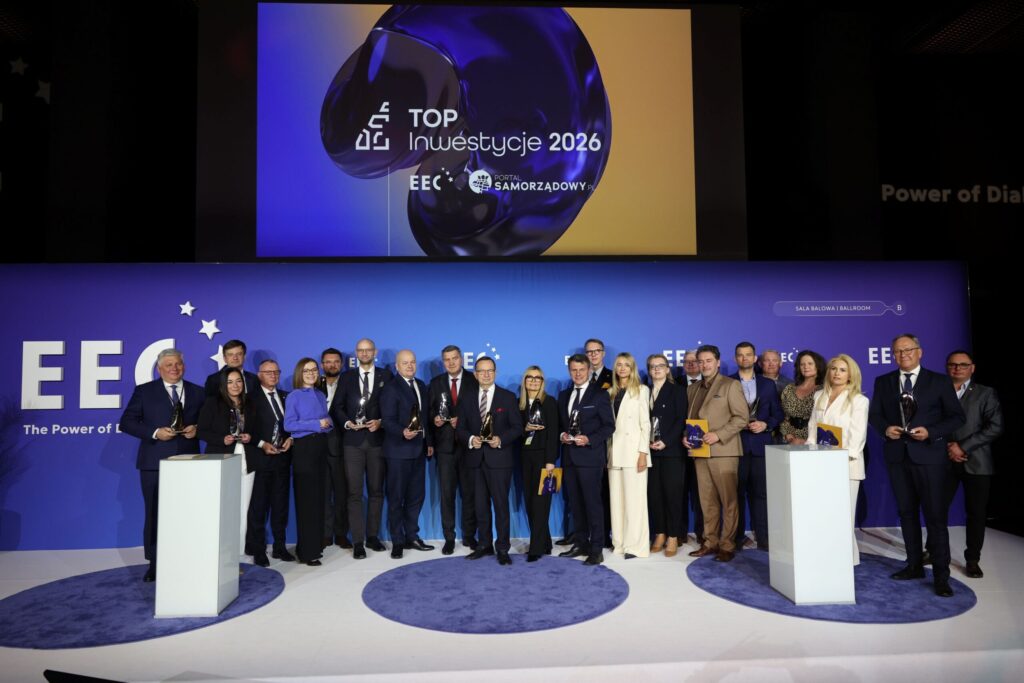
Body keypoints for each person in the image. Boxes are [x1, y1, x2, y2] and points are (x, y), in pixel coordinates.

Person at [869, 334, 965, 597]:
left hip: (930, 458)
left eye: (908, 349)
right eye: (898, 351)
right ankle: (914, 565)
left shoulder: (939, 381)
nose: (903, 355)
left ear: (919, 352)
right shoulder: (884, 381)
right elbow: (875, 414)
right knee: (907, 513)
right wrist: (885, 428)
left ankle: (941, 576)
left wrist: (931, 432)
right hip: (898, 457)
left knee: (935, 517)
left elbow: (957, 417)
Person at [119, 348, 204, 582]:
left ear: (184, 366)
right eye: (169, 365)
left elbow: (208, 422)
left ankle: (188, 559)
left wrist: (197, 429)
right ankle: (155, 563)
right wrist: (155, 432)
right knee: (155, 514)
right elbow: (126, 422)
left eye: (178, 364)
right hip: (154, 463)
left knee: (189, 513)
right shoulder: (144, 391)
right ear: (159, 369)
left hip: (189, 463)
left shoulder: (198, 391)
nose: (174, 368)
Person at [456, 356, 523, 564]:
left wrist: (500, 439)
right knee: (480, 506)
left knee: (501, 506)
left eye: (490, 371)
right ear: (475, 374)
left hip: (499, 461)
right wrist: (470, 439)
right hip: (475, 461)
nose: (486, 374)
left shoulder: (508, 397)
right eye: (481, 371)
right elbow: (460, 428)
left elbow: (517, 428)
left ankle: (502, 548)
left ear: (495, 372)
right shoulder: (466, 398)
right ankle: (484, 545)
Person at [686, 344, 748, 562]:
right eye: (700, 361)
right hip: (700, 452)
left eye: (708, 361)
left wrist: (718, 435)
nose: (704, 365)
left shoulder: (730, 385)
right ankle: (710, 542)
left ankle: (727, 545)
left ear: (718, 362)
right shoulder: (693, 389)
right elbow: (691, 420)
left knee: (728, 501)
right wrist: (686, 436)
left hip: (724, 451)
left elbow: (742, 418)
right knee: (707, 502)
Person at [806, 354, 870, 565]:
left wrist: (840, 458)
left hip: (846, 466)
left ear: (850, 374)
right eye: (834, 369)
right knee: (825, 515)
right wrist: (809, 452)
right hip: (820, 465)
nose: (837, 373)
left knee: (843, 517)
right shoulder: (819, 396)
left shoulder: (859, 401)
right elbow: (813, 428)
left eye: (842, 370)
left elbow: (857, 437)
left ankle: (847, 561)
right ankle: (826, 557)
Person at [945, 350, 1003, 578]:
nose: (957, 368)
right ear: (947, 367)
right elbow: (931, 423)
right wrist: (949, 447)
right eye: (953, 364)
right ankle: (934, 551)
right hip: (944, 460)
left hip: (977, 462)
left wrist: (963, 447)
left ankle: (972, 560)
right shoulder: (939, 391)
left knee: (976, 514)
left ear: (972, 368)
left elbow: (995, 427)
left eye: (963, 364)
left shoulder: (986, 393)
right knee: (937, 510)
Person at [332, 339, 391, 558]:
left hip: (377, 442)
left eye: (368, 350)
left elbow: (392, 407)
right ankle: (358, 541)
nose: (364, 353)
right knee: (354, 493)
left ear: (375, 352)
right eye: (361, 350)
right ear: (356, 353)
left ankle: (373, 536)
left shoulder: (386, 376)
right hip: (352, 443)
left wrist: (381, 422)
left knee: (376, 491)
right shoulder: (347, 377)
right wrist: (348, 423)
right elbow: (337, 407)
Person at [558, 353, 616, 565]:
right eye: (574, 370)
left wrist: (589, 439)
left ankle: (596, 548)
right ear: (569, 371)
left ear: (589, 370)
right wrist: (562, 435)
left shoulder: (599, 395)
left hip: (591, 458)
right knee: (576, 504)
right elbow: (561, 424)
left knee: (593, 504)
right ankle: (581, 543)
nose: (578, 374)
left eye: (582, 370)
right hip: (569, 458)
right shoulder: (564, 395)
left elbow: (609, 426)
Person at [198, 367, 259, 561]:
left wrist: (251, 436)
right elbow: (202, 431)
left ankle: (237, 555)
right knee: (222, 508)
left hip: (247, 460)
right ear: (223, 385)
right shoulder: (212, 403)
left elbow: (259, 430)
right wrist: (221, 439)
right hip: (222, 460)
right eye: (230, 382)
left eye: (238, 381)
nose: (235, 385)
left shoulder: (250, 403)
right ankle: (219, 553)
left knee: (243, 509)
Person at [380, 349, 435, 559]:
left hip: (418, 451)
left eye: (412, 362)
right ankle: (398, 541)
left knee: (416, 497)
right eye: (405, 363)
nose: (410, 366)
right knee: (396, 498)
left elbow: (425, 418)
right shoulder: (390, 388)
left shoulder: (420, 385)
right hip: (398, 452)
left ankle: (412, 536)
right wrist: (402, 432)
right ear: (397, 366)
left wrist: (428, 442)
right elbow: (387, 420)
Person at [729, 342, 782, 551]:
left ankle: (763, 537)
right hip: (736, 445)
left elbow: (777, 414)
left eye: (748, 355)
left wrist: (766, 425)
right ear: (736, 359)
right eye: (740, 355)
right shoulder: (727, 382)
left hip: (761, 446)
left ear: (755, 358)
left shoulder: (767, 384)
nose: (744, 358)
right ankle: (737, 537)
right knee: (737, 494)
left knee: (761, 494)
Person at [428, 344, 479, 555]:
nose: (451, 362)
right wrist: (435, 419)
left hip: (469, 447)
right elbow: (429, 412)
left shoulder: (474, 380)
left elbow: (481, 411)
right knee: (447, 495)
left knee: (470, 494)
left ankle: (469, 535)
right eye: (447, 359)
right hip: (445, 448)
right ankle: (449, 537)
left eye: (454, 358)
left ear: (461, 359)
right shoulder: (436, 383)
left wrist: (465, 422)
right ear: (443, 362)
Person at [284, 357, 334, 566]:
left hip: (320, 447)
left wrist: (328, 424)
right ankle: (307, 551)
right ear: (299, 373)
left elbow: (327, 420)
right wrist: (316, 424)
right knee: (307, 501)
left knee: (319, 498)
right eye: (307, 371)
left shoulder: (321, 395)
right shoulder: (294, 396)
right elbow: (289, 425)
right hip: (304, 450)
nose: (311, 373)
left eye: (314, 370)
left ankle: (315, 545)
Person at [246, 359, 294, 564]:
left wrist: (292, 438)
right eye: (268, 372)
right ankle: (258, 550)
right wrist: (261, 444)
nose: (273, 375)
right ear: (259, 375)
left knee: (280, 506)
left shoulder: (286, 396)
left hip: (282, 460)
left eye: (276, 372)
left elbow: (293, 424)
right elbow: (245, 430)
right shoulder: (250, 399)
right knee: (259, 508)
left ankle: (279, 547)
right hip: (261, 460)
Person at [607, 353, 651, 559]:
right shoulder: (610, 393)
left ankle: (636, 546)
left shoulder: (641, 390)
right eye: (619, 365)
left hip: (634, 453)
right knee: (616, 502)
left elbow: (645, 424)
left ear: (632, 368)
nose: (622, 368)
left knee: (635, 502)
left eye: (627, 365)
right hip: (614, 453)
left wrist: (643, 453)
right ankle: (619, 543)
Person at [646, 353, 688, 557]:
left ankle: (673, 535)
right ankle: (660, 533)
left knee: (672, 494)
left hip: (671, 451)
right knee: (654, 494)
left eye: (660, 366)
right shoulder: (644, 392)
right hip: (650, 451)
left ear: (667, 369)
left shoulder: (677, 391)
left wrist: (667, 441)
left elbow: (681, 420)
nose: (656, 369)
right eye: (652, 366)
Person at [518, 365, 560, 561]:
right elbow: (514, 431)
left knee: (541, 503)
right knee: (530, 503)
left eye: (538, 378)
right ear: (525, 380)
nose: (534, 381)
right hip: (525, 459)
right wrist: (524, 429)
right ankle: (545, 542)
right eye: (530, 377)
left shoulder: (549, 402)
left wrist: (551, 461)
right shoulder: (519, 404)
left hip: (544, 459)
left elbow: (553, 434)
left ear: (542, 382)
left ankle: (536, 548)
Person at [584, 338, 614, 549]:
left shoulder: (614, 376)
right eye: (589, 352)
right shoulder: (578, 378)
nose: (593, 354)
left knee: (605, 492)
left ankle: (604, 535)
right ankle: (584, 534)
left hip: (610, 441)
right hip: (586, 447)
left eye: (597, 351)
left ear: (603, 353)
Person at [320, 347, 351, 550]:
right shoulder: (313, 384)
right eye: (328, 362)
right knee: (323, 494)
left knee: (342, 493)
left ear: (342, 364)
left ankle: (341, 533)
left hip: (343, 446)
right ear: (322, 364)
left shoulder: (350, 384)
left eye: (336, 361)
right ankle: (325, 534)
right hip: (320, 447)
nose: (332, 365)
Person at [679, 350, 704, 545]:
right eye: (687, 361)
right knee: (679, 494)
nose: (691, 364)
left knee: (702, 494)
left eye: (695, 361)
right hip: (678, 448)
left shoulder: (709, 384)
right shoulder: (675, 384)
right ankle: (679, 533)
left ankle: (702, 532)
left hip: (704, 448)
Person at [780, 350, 826, 445]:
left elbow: (826, 419)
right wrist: (787, 434)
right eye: (802, 364)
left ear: (818, 366)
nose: (806, 367)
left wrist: (808, 441)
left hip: (814, 439)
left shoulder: (824, 390)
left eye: (810, 363)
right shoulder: (789, 388)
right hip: (790, 440)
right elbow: (783, 415)